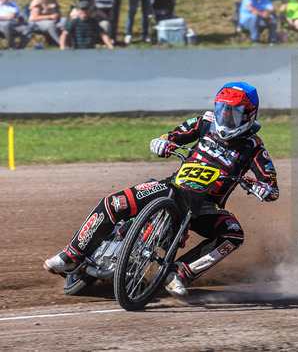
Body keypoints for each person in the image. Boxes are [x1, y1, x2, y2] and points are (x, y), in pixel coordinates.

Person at [44, 82, 279, 299]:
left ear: (249, 116)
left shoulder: (254, 147)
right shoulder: (204, 121)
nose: (225, 118)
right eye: (221, 110)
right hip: (172, 187)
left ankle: (179, 273)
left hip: (206, 206)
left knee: (233, 233)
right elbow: (172, 136)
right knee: (115, 202)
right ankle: (71, 255)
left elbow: (271, 186)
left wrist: (263, 188)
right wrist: (162, 142)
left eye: (233, 114)